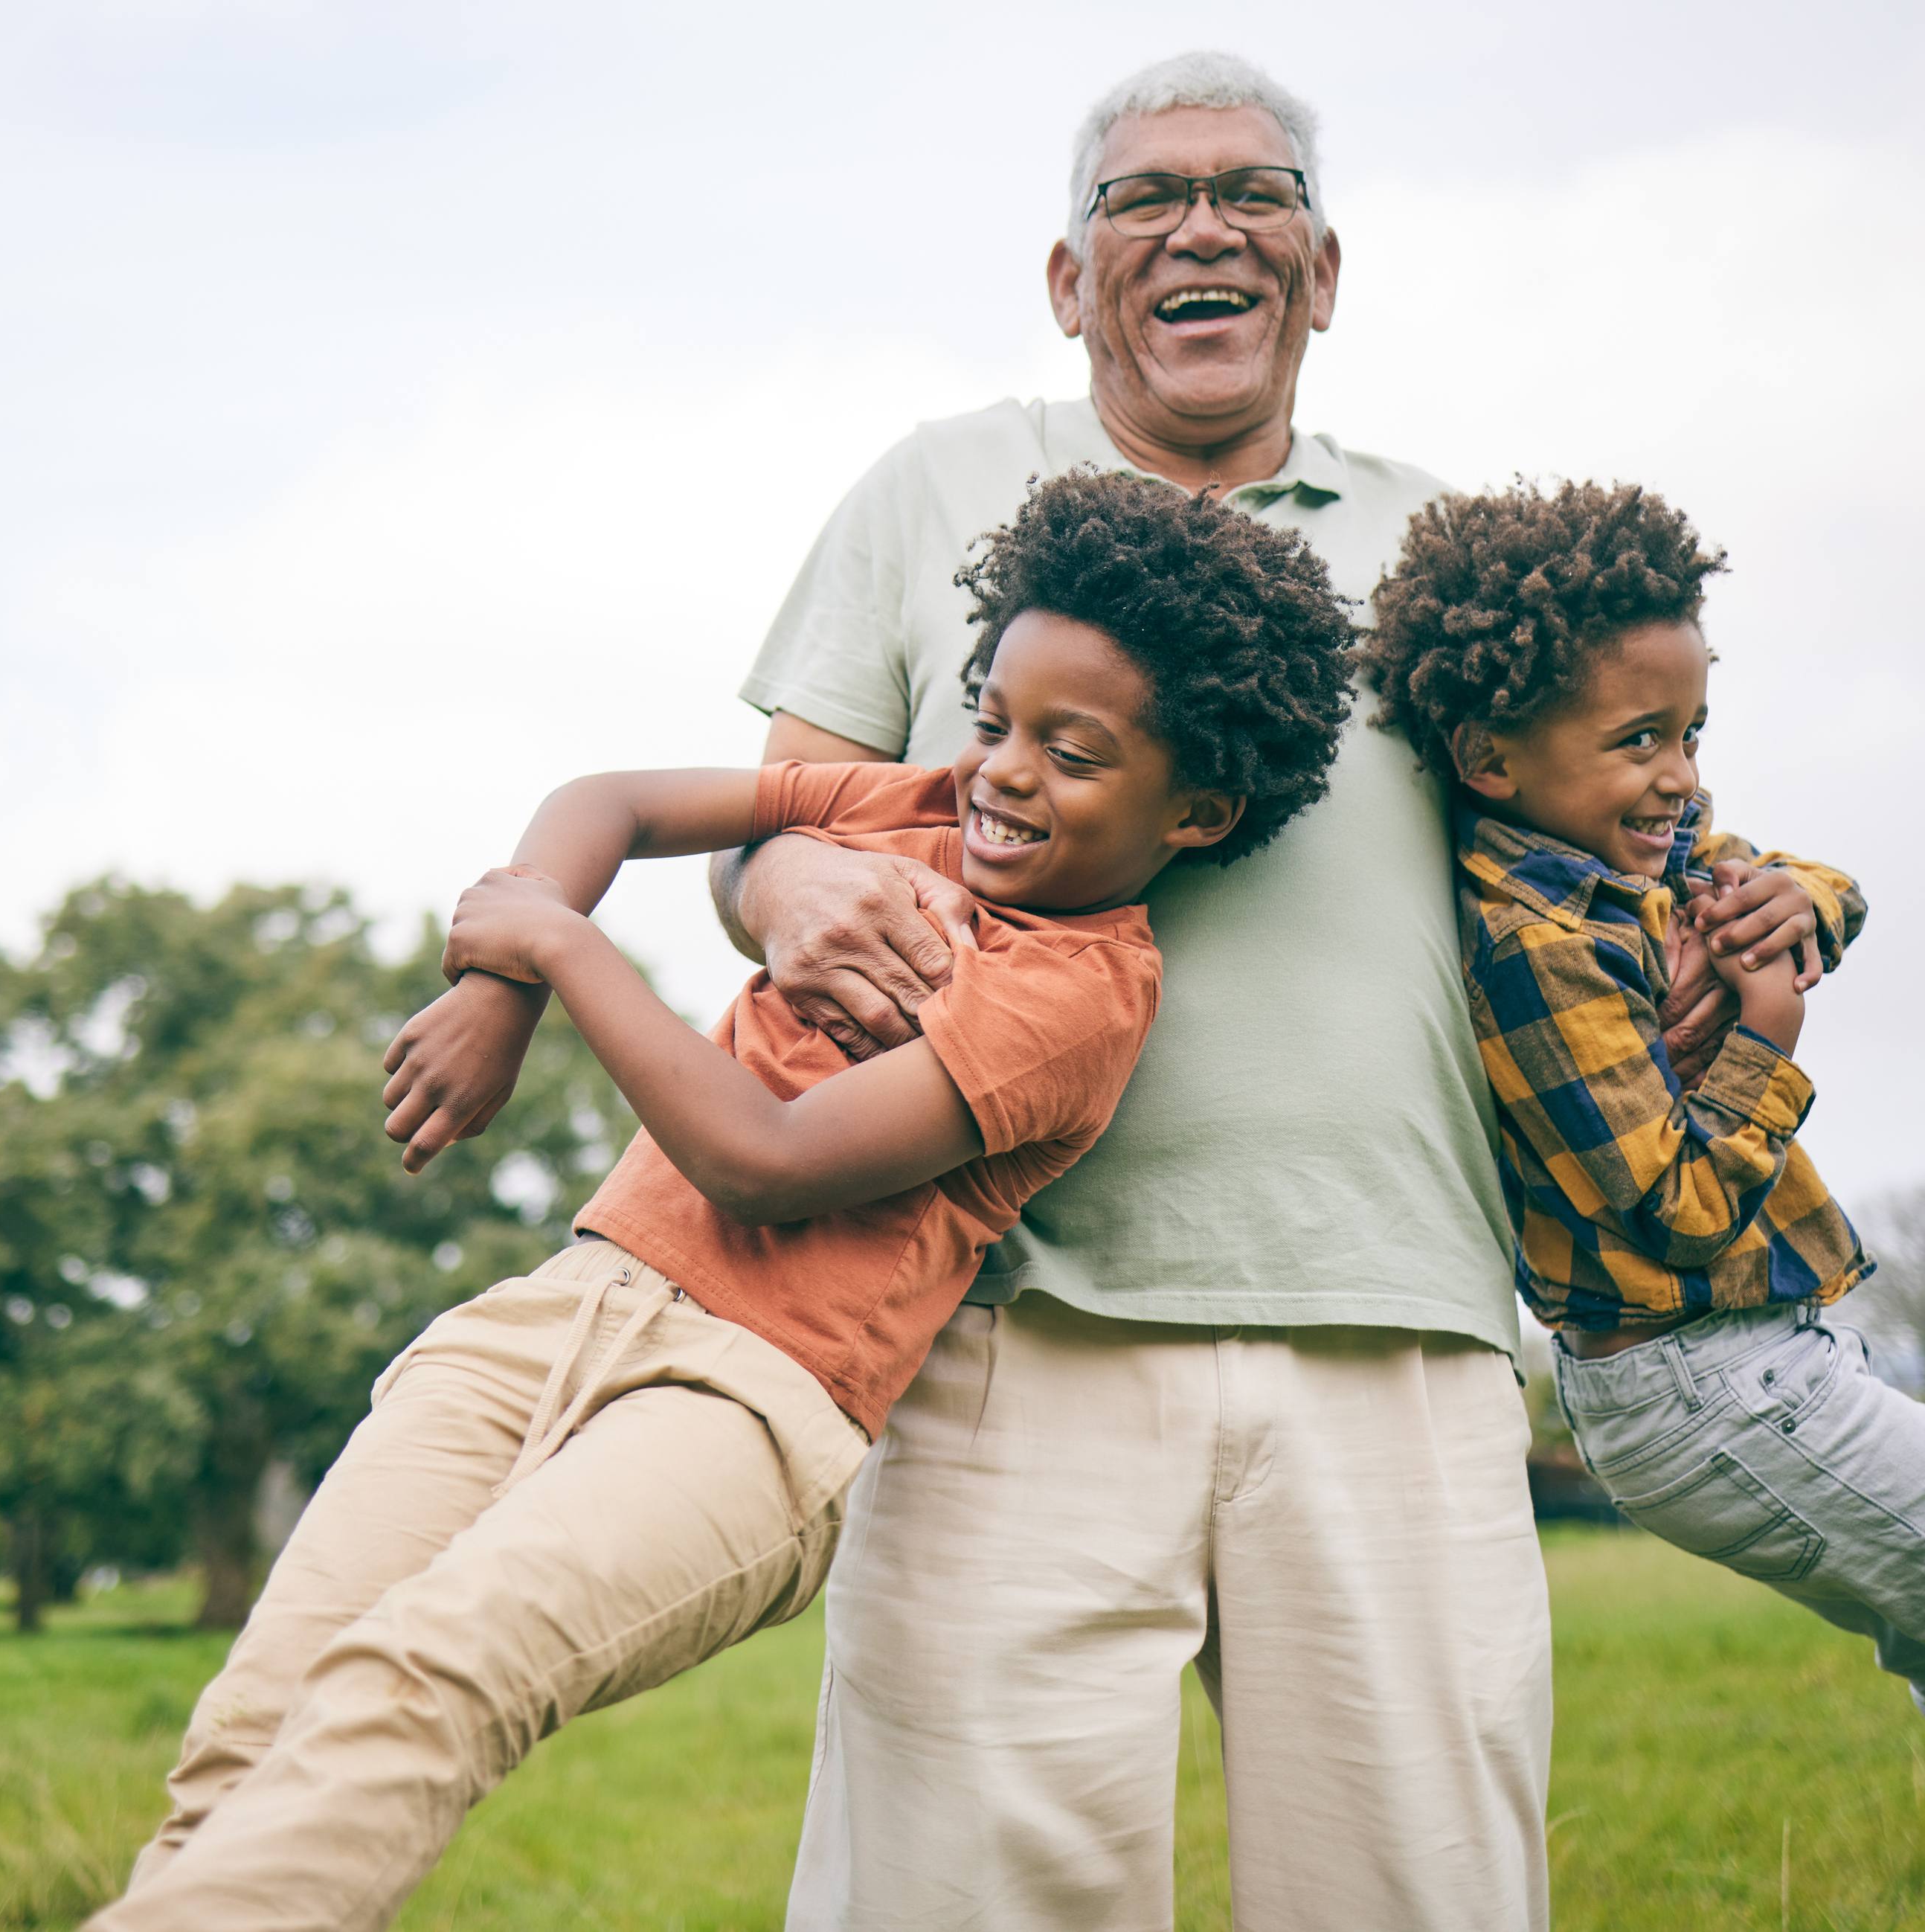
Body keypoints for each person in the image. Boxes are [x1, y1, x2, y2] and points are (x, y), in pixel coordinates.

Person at [710, 48, 1752, 1932]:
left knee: (1416, 1897)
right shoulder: (939, 486)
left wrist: (1715, 948)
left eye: (1255, 195)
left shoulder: (1457, 553)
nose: (1204, 226)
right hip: (994, 1334)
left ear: (1323, 271)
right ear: (1067, 276)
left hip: (1402, 1327)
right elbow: (772, 824)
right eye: (1145, 198)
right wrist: (784, 886)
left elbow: (1645, 839)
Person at [80, 472, 1357, 1932]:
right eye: (992, 719)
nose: (999, 774)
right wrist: (494, 993)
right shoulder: (914, 803)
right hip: (562, 1307)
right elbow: (606, 804)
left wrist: (559, 952)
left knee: (421, 1680)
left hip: (747, 1407)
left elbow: (762, 1158)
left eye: (1072, 753)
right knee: (251, 1734)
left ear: (1199, 807)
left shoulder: (1076, 1000)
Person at [1360, 476, 1925, 1898]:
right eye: (1637, 740)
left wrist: (1809, 909)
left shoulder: (1634, 852)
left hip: (1764, 1363)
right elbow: (1670, 1205)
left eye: (1690, 732)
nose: (1679, 777)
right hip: (1700, 1385)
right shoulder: (1531, 942)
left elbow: (1798, 878)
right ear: (1489, 755)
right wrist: (1769, 1042)